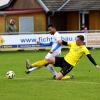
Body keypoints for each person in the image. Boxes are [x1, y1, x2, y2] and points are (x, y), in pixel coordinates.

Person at [26, 35, 100, 80]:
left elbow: (90, 57)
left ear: (81, 41)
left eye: (77, 39)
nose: (75, 40)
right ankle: (30, 66)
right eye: (76, 39)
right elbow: (65, 43)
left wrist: (96, 65)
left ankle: (69, 77)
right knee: (48, 59)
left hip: (69, 65)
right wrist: (60, 41)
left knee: (57, 78)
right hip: (63, 59)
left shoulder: (84, 48)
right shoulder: (73, 43)